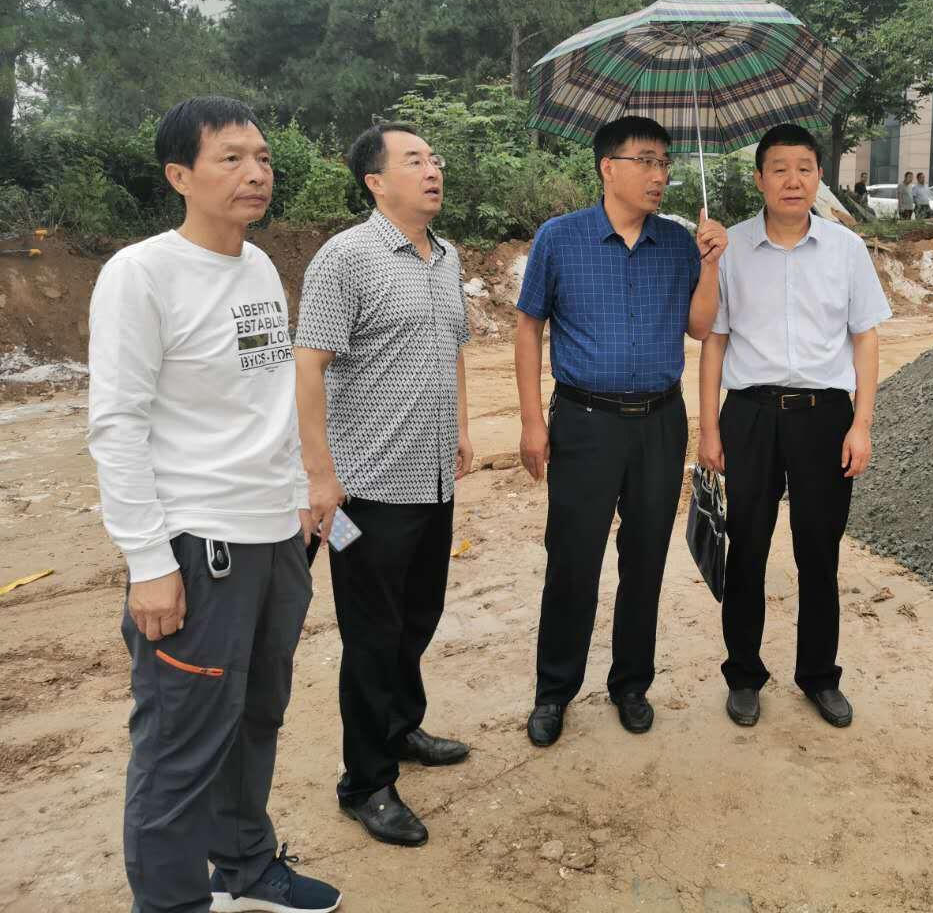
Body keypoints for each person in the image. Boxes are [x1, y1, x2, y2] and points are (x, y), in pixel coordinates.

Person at [88, 97, 341, 913]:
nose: (256, 172)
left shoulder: (258, 265)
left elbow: (266, 398)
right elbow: (117, 425)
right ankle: (170, 903)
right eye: (231, 158)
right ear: (179, 175)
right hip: (201, 548)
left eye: (262, 157)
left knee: (257, 715)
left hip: (273, 541)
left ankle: (244, 863)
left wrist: (300, 491)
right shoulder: (141, 274)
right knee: (180, 745)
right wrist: (148, 561)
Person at [515, 115, 727, 748]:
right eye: (646, 161)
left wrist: (711, 265)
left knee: (646, 558)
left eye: (665, 163)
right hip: (584, 423)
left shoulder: (680, 242)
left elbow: (699, 327)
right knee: (572, 559)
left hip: (659, 422)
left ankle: (631, 684)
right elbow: (528, 327)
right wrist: (532, 420)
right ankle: (554, 690)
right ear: (609, 167)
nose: (660, 175)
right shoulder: (560, 238)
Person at [294, 123, 474, 848]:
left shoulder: (447, 257)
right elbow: (309, 366)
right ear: (375, 181)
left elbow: (455, 350)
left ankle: (401, 728)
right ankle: (365, 782)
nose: (432, 170)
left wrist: (462, 428)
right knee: (371, 637)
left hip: (432, 480)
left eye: (435, 159)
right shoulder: (346, 258)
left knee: (418, 617)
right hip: (366, 489)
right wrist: (320, 476)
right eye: (414, 160)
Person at [697, 123, 891, 730]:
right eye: (779, 169)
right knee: (747, 550)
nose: (793, 180)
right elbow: (712, 341)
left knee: (819, 552)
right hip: (750, 416)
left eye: (804, 168)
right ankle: (743, 675)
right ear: (759, 179)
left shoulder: (845, 249)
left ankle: (819, 676)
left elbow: (865, 339)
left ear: (819, 177)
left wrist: (861, 424)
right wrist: (708, 429)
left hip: (824, 419)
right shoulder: (730, 248)